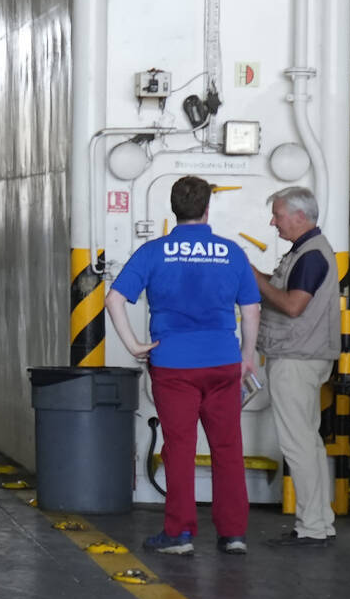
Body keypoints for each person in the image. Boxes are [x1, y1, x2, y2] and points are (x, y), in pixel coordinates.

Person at [105, 175, 261, 555]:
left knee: (180, 448)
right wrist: (247, 356)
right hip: (224, 362)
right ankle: (233, 533)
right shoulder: (231, 252)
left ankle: (178, 534)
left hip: (174, 366)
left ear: (173, 210)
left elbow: (114, 299)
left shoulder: (153, 252)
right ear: (208, 208)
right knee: (228, 447)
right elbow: (251, 308)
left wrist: (134, 345)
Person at [252, 186, 339, 548]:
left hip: (296, 359)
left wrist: (251, 276)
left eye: (278, 215)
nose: (273, 222)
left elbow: (292, 306)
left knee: (298, 444)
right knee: (310, 442)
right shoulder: (307, 252)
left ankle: (312, 528)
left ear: (300, 216)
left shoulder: (312, 257)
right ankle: (321, 521)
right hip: (304, 357)